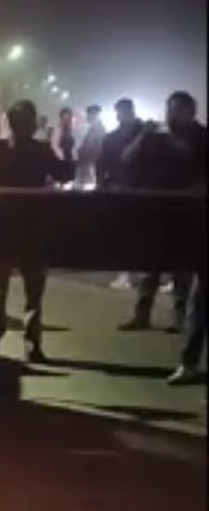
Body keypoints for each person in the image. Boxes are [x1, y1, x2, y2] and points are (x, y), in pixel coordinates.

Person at [0, 99, 74, 363]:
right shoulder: (40, 151)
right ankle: (32, 345)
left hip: (2, 230)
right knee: (33, 292)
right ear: (31, 124)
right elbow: (65, 174)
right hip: (33, 230)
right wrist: (67, 146)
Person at [118, 91, 205, 335]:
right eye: (169, 110)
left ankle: (179, 317)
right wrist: (142, 136)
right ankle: (141, 314)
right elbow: (126, 159)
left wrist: (176, 144)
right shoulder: (156, 136)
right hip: (156, 209)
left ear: (190, 113)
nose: (170, 116)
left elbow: (194, 161)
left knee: (182, 267)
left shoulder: (201, 136)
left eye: (176, 111)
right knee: (150, 264)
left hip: (187, 211)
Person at [98, 98, 145, 291]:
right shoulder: (113, 137)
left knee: (136, 234)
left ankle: (134, 273)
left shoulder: (144, 134)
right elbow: (103, 163)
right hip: (122, 190)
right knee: (125, 234)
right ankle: (129, 272)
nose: (121, 116)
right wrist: (103, 184)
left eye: (123, 112)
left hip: (138, 190)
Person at [75, 104, 106, 187]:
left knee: (87, 187)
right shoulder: (93, 128)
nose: (87, 117)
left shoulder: (97, 129)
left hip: (90, 163)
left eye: (89, 114)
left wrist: (78, 153)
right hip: (88, 163)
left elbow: (90, 146)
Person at [53, 106, 77, 181]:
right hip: (59, 161)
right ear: (61, 118)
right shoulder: (57, 130)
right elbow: (54, 145)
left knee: (71, 181)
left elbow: (77, 145)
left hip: (71, 161)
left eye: (69, 118)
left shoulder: (75, 130)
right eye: (65, 118)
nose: (67, 120)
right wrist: (62, 158)